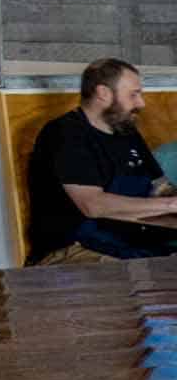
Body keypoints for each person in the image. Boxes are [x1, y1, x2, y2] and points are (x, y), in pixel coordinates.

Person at [25, 58, 177, 264]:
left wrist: (169, 200)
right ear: (103, 93)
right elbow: (93, 205)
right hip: (73, 251)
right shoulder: (65, 134)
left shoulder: (126, 131)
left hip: (133, 246)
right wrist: (170, 205)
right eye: (133, 95)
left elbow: (159, 188)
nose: (141, 103)